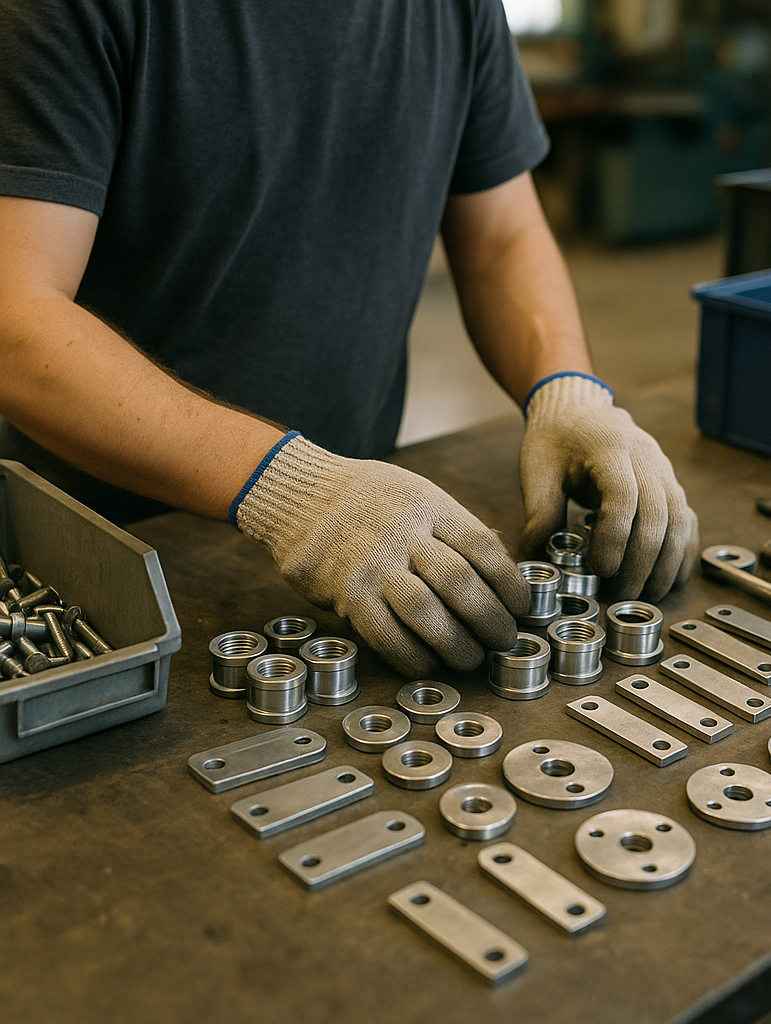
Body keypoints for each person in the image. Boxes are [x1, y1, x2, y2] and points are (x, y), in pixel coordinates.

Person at [0, 0, 699, 676]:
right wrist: (288, 488)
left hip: (366, 537)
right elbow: (15, 316)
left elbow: (502, 237)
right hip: (107, 568)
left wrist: (566, 394)